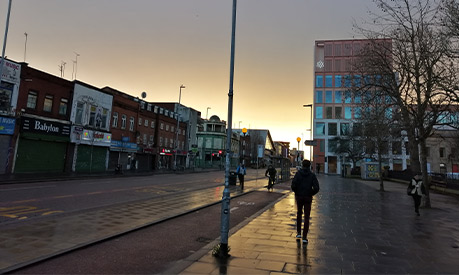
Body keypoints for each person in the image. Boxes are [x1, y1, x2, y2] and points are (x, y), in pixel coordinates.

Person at [291, 159, 320, 244]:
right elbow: (317, 188)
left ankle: (298, 233)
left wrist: (297, 192)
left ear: (302, 165)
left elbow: (293, 185)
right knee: (307, 216)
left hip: (299, 197)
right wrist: (310, 193)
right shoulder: (312, 175)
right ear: (309, 166)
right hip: (308, 198)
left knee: (299, 213)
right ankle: (305, 237)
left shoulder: (298, 174)